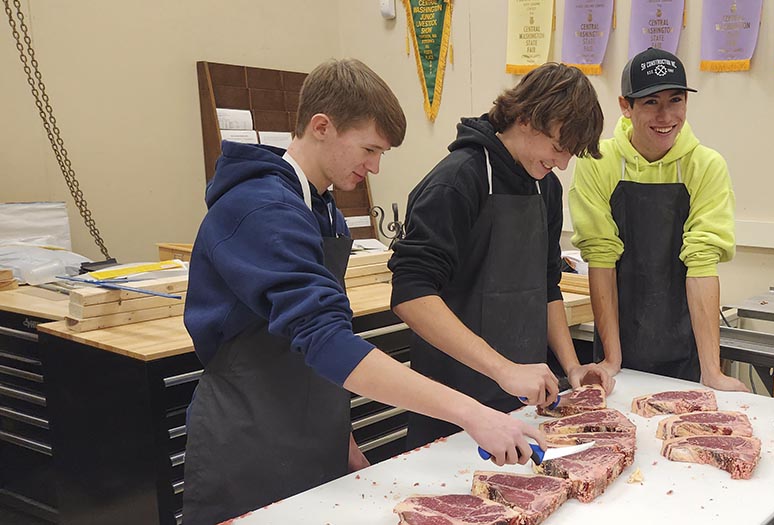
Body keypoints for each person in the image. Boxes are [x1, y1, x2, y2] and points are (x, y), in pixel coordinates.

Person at [182, 59, 546, 525]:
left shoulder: (321, 206)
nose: (374, 166)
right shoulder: (260, 208)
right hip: (248, 443)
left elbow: (312, 346)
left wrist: (344, 440)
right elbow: (326, 340)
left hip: (311, 432)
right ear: (321, 127)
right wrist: (473, 414)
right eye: (369, 149)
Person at [390, 63, 614, 449]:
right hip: (454, 405)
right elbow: (411, 294)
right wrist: (502, 368)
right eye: (559, 148)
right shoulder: (458, 180)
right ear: (526, 118)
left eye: (570, 154)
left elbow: (548, 286)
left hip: (522, 403)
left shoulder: (546, 188)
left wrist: (572, 366)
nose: (562, 164)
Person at [568, 48, 746, 392]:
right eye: (650, 102)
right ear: (625, 106)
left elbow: (702, 262)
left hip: (684, 342)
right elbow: (601, 258)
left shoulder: (706, 165)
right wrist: (612, 359)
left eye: (675, 100)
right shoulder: (597, 161)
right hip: (618, 341)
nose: (666, 115)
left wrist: (712, 372)